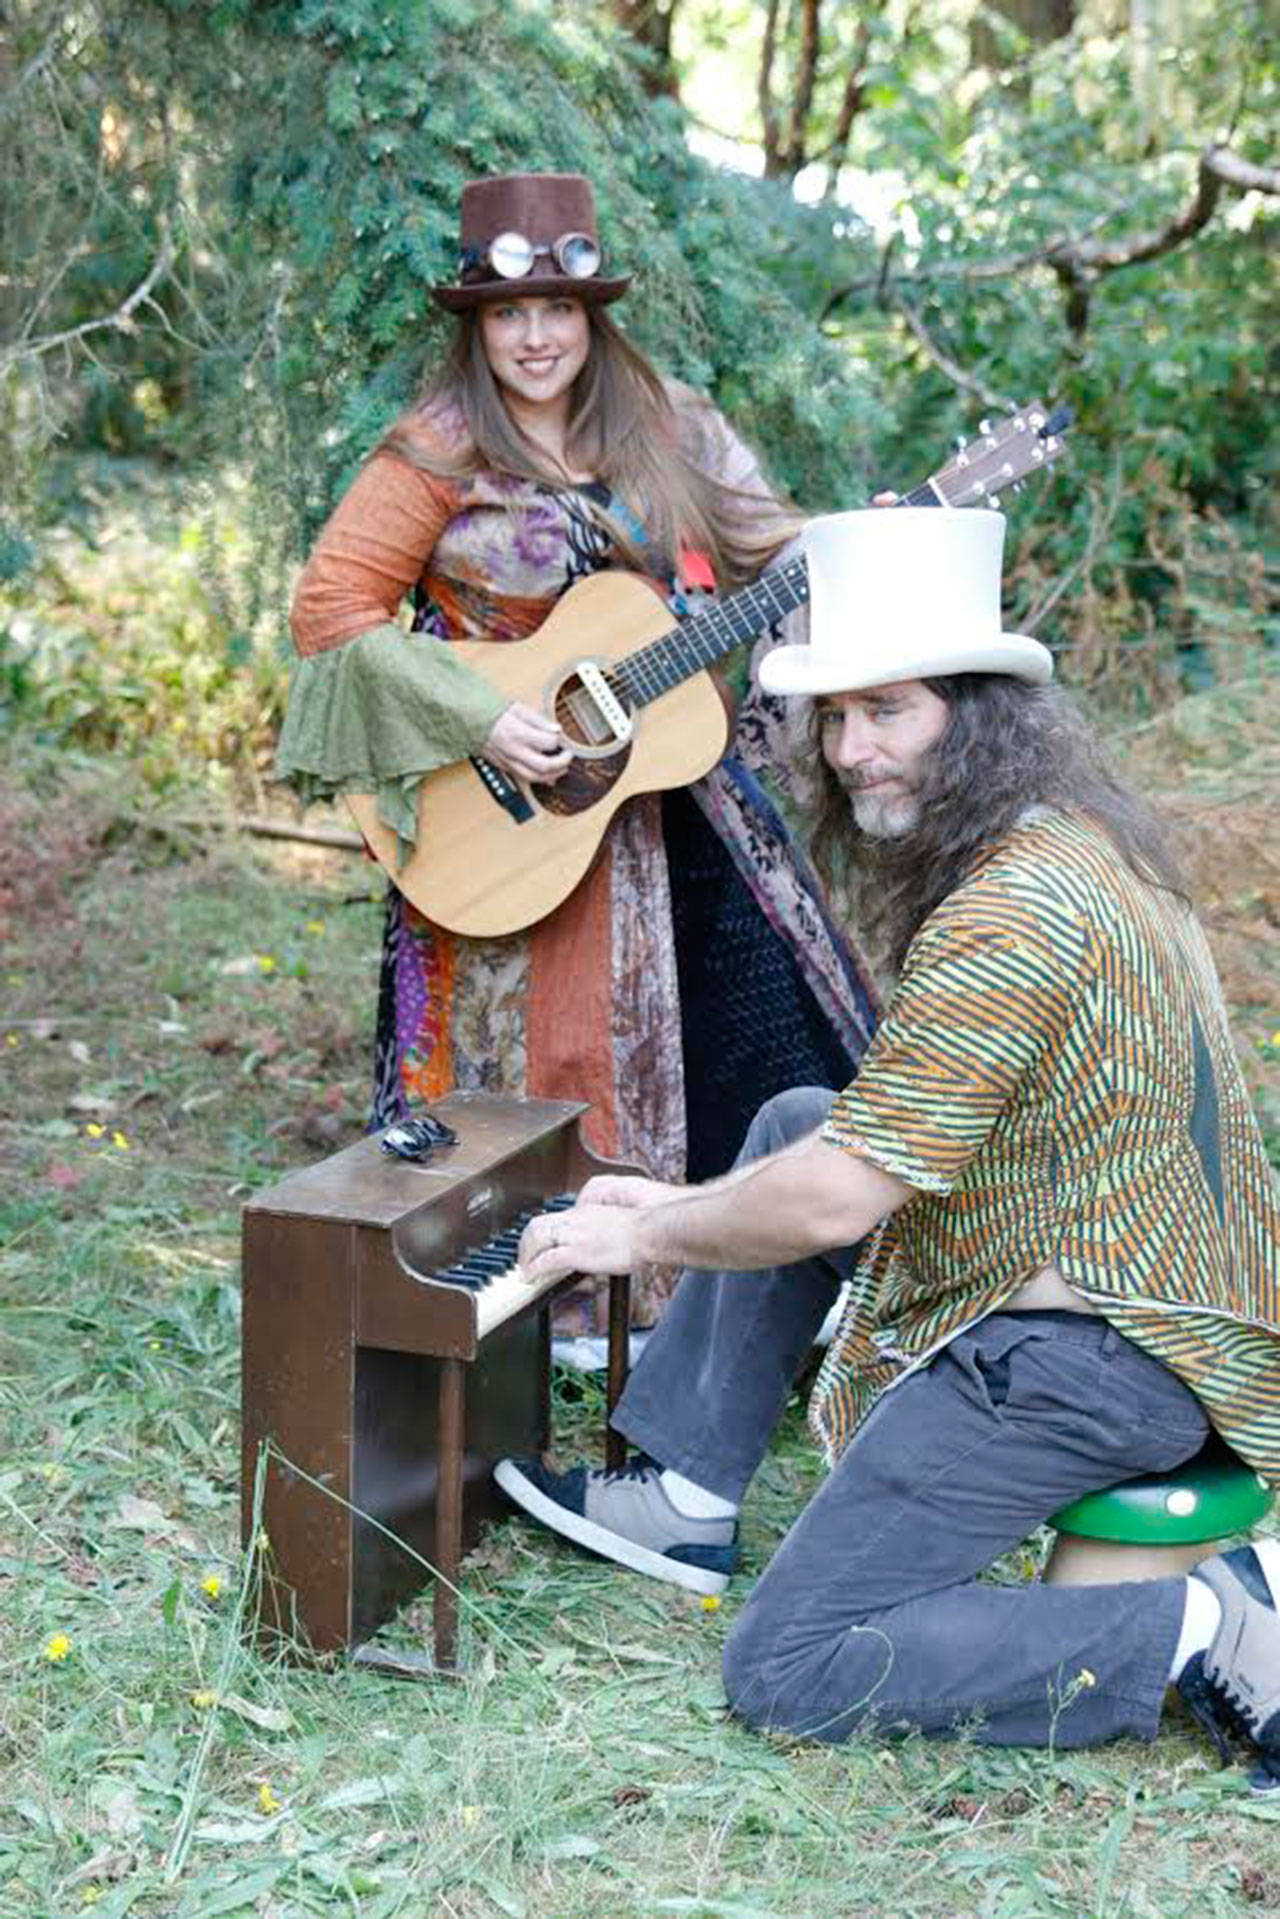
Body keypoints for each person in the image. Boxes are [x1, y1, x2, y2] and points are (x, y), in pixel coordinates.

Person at [496, 505, 1280, 1784]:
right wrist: (690, 1196)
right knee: (797, 1115)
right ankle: (685, 1496)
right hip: (1127, 1291)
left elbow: (830, 1203)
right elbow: (849, 1147)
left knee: (791, 1661)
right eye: (835, 715)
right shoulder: (1069, 847)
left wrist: (639, 1228)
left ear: (979, 715)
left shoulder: (1018, 906)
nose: (854, 750)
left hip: (1100, 1352)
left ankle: (1217, 1623)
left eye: (891, 711)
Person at [275, 171, 877, 1329]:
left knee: (763, 1025)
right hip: (506, 816)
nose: (537, 335)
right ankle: (543, 1309)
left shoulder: (669, 426)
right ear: (477, 325)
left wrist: (870, 539)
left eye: (559, 309)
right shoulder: (436, 451)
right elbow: (333, 606)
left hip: (674, 786)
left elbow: (771, 542)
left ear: (592, 316)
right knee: (531, 1062)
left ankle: (758, 1299)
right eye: (510, 313)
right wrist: (476, 713)